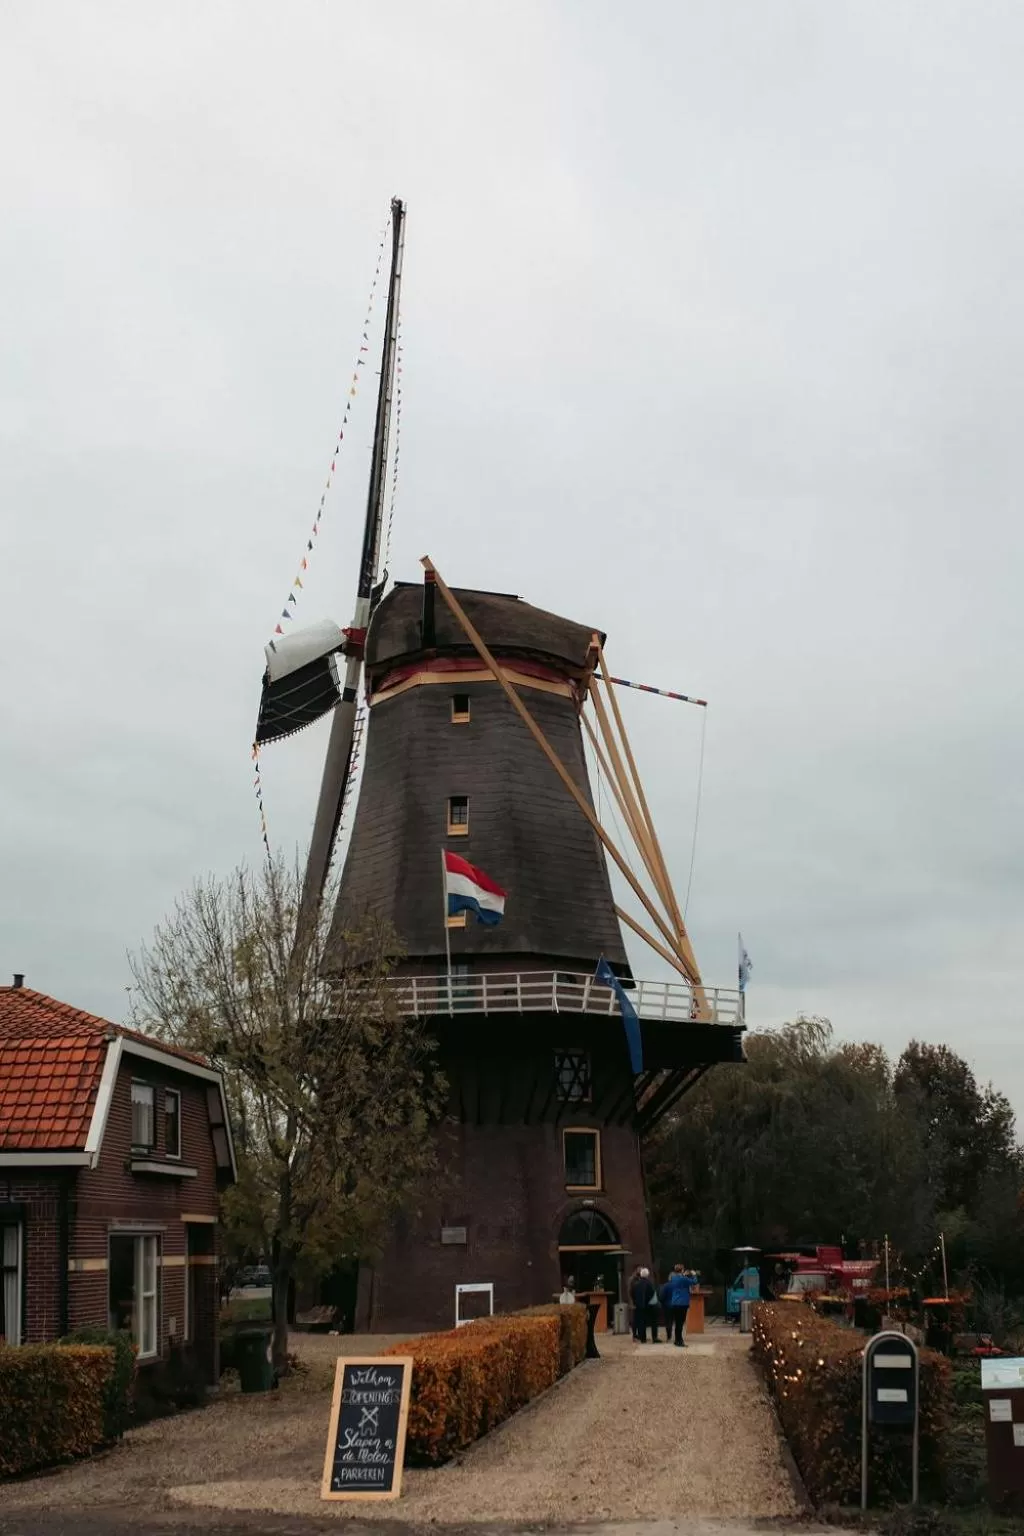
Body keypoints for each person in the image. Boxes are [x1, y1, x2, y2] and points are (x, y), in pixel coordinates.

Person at [661, 1263, 698, 1346]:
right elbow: (694, 1282)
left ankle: (677, 1340)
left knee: (677, 1322)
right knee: (680, 1323)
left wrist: (683, 1275)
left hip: (674, 1302)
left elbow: (680, 1280)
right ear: (682, 1270)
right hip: (682, 1303)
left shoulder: (673, 1278)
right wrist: (694, 1275)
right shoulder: (683, 1279)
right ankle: (679, 1340)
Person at [630, 1266, 656, 1342]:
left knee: (641, 1322)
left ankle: (642, 1338)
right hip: (647, 1305)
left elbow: (632, 1293)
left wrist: (635, 1301)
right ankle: (654, 1337)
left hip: (638, 1305)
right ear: (647, 1275)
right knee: (651, 1321)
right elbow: (652, 1293)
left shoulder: (636, 1284)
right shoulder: (649, 1283)